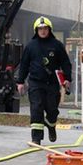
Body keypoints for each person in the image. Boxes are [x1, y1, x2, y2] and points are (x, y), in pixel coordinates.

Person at [16, 16, 72, 145]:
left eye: (45, 28)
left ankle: (51, 125)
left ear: (49, 29)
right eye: (40, 29)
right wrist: (20, 82)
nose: (42, 31)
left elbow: (65, 63)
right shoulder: (30, 46)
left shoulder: (57, 45)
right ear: (36, 30)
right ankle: (36, 139)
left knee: (52, 110)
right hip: (35, 83)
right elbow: (24, 64)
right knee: (36, 109)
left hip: (52, 83)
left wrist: (68, 78)